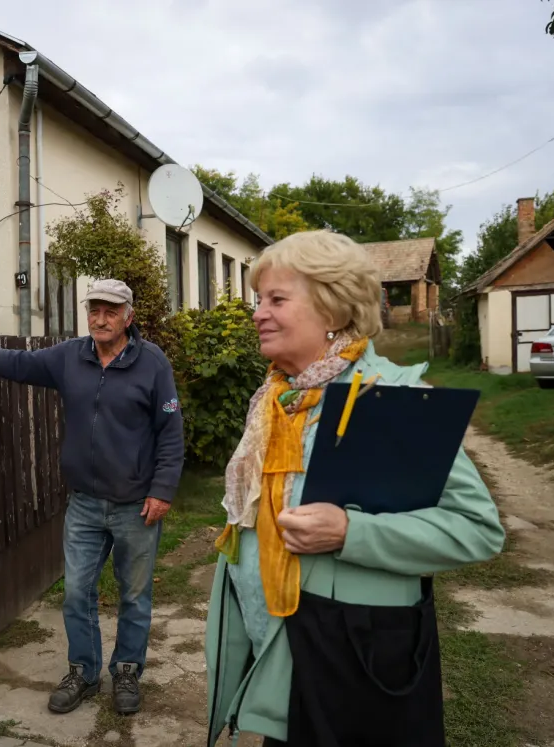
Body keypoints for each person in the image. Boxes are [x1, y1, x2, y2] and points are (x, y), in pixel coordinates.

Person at [204, 231, 505, 747]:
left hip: (354, 656)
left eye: (277, 299)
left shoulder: (391, 400)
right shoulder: (276, 401)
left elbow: (478, 530)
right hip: (278, 647)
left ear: (335, 310)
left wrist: (350, 532)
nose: (258, 313)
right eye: (259, 300)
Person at [0, 278, 183, 716]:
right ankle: (84, 672)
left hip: (135, 504)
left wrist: (162, 490)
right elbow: (19, 363)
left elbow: (170, 432)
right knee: (76, 592)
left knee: (134, 594)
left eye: (110, 311)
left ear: (129, 316)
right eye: (94, 310)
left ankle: (126, 670)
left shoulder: (152, 364)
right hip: (85, 503)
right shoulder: (71, 356)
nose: (100, 318)